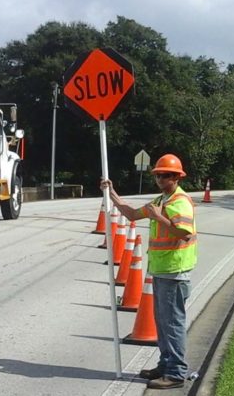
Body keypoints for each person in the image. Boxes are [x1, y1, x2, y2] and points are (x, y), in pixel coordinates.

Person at [100, 154, 197, 390]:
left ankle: (175, 372)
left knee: (172, 324)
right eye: (157, 175)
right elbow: (132, 214)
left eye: (164, 175)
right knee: (162, 323)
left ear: (176, 177)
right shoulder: (162, 199)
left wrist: (159, 217)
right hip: (163, 271)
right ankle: (165, 365)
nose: (159, 179)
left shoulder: (179, 202)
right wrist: (112, 194)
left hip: (175, 272)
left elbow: (183, 233)